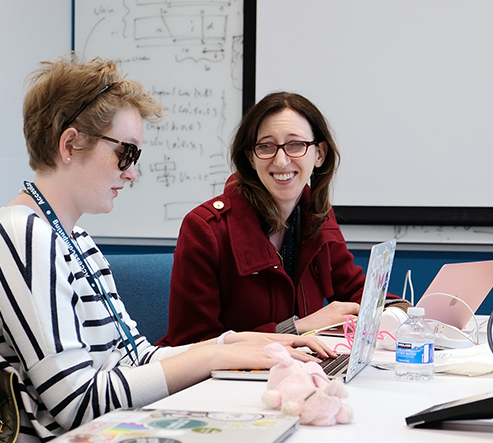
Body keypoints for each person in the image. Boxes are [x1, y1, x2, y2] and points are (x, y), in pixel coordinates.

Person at [0, 56, 334, 443]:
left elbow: (135, 358)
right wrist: (214, 358)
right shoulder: (24, 238)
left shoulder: (75, 239)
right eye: (127, 153)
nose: (132, 172)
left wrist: (239, 343)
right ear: (70, 144)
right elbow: (78, 405)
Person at [158, 91, 408, 347]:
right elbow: (192, 346)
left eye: (296, 145)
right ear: (251, 158)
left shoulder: (316, 213)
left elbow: (353, 288)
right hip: (226, 382)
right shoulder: (205, 229)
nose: (281, 160)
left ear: (319, 154)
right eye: (265, 146)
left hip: (296, 371)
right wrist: (297, 329)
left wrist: (398, 311)